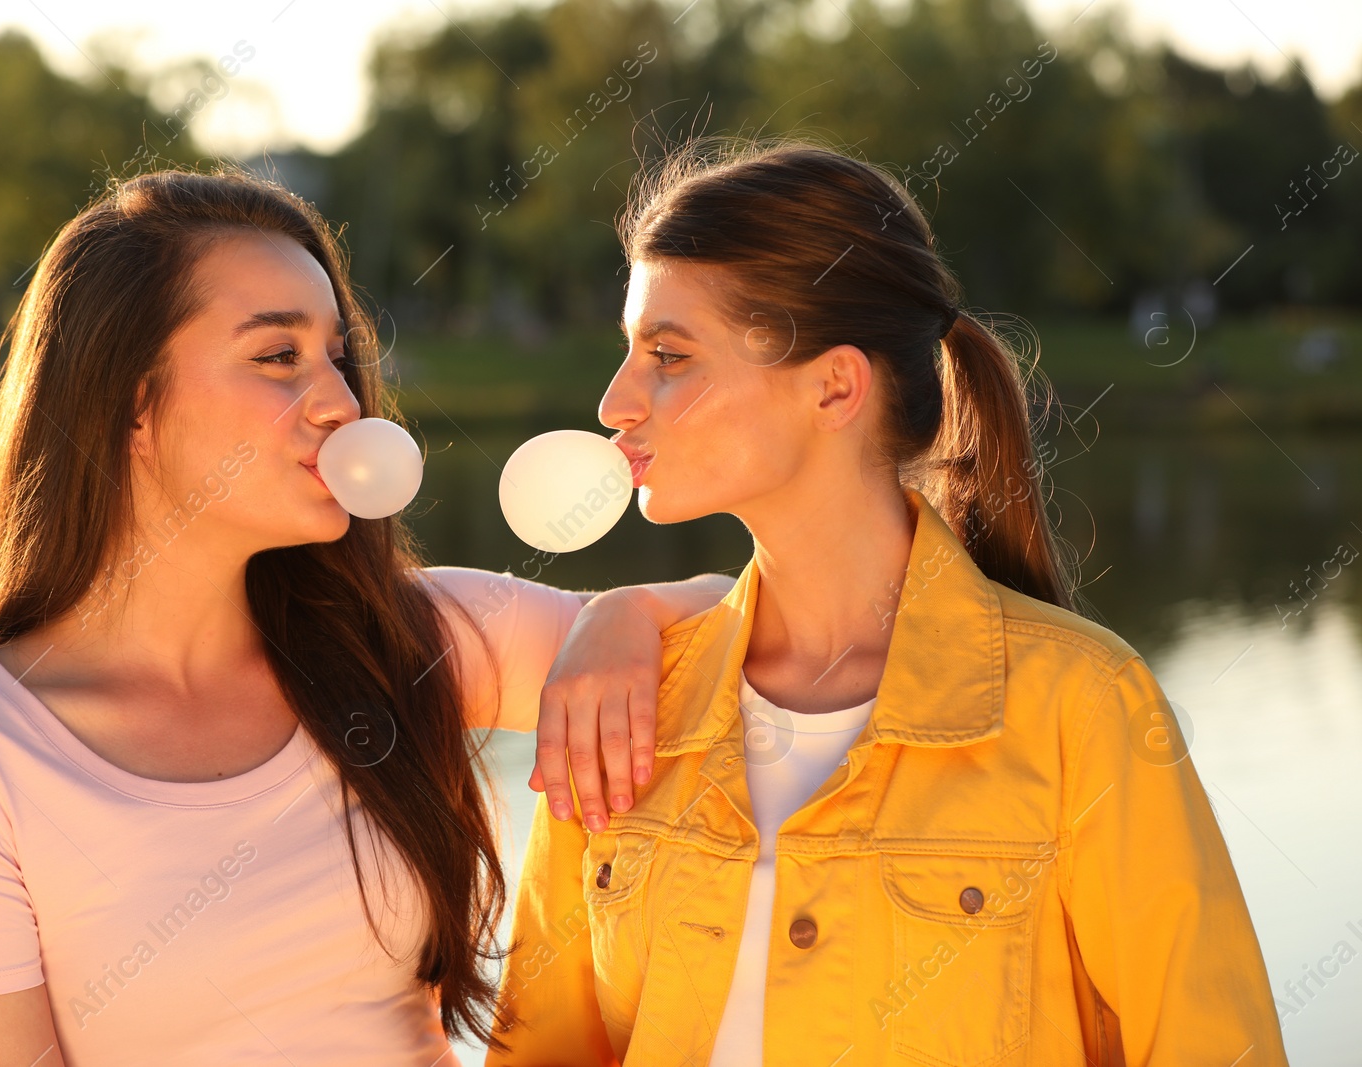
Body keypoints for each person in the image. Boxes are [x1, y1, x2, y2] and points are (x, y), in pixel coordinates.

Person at [0, 167, 730, 1067]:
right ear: (128, 404)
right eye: (279, 358)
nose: (343, 405)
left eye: (339, 359)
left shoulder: (405, 639)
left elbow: (767, 629)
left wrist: (629, 611)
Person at [490, 141, 1288, 1066]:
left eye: (668, 355)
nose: (614, 400)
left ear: (834, 385)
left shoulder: (1083, 705)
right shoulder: (624, 703)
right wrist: (612, 613)